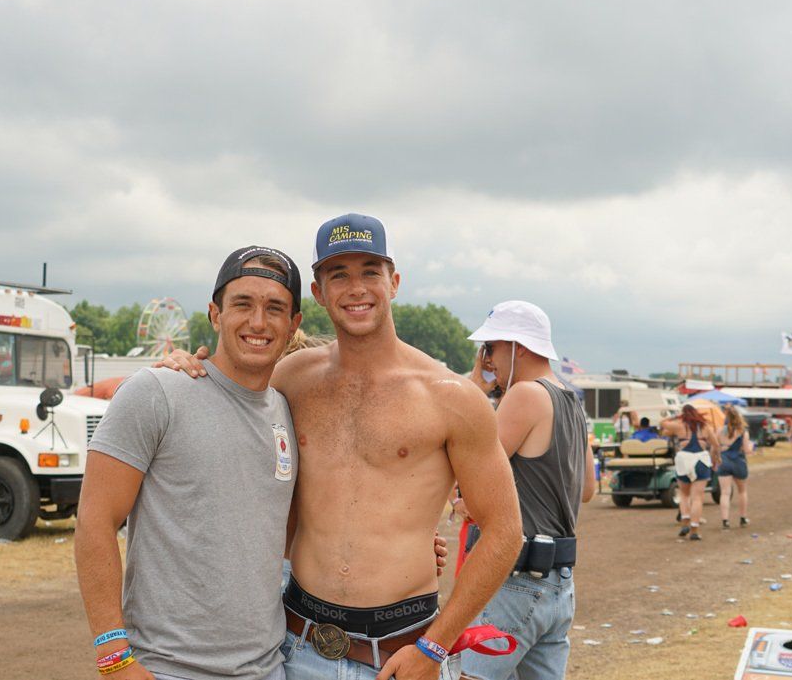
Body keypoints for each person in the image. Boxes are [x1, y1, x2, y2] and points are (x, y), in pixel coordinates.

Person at [161, 213, 522, 680]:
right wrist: (185, 365)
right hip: (297, 646)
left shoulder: (450, 397)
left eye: (370, 271)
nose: (356, 289)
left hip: (405, 654)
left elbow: (504, 530)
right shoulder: (291, 379)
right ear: (317, 292)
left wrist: (434, 648)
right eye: (339, 275)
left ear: (393, 282)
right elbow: (229, 385)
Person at [74, 246, 305, 680]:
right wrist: (114, 658)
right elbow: (94, 521)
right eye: (243, 304)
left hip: (269, 668)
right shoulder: (158, 392)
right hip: (170, 668)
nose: (258, 322)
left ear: (293, 326)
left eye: (275, 308)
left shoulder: (289, 413)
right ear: (215, 314)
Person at [453, 301, 594, 680]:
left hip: (514, 583)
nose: (485, 359)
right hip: (557, 584)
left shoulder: (526, 394)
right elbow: (588, 489)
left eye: (490, 348)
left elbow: (466, 471)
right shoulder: (571, 400)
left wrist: (473, 388)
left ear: (519, 347)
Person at [661, 405, 721, 541]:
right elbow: (716, 445)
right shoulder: (705, 426)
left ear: (683, 414)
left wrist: (675, 416)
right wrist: (716, 457)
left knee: (684, 495)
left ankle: (684, 523)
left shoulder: (679, 425)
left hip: (684, 459)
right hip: (701, 460)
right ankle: (694, 530)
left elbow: (662, 423)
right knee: (697, 498)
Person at [717, 405, 753, 529]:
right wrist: (751, 447)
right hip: (738, 461)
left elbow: (715, 448)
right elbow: (747, 450)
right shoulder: (743, 432)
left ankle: (725, 521)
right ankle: (743, 518)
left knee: (725, 493)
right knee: (742, 491)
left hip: (724, 461)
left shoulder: (719, 430)